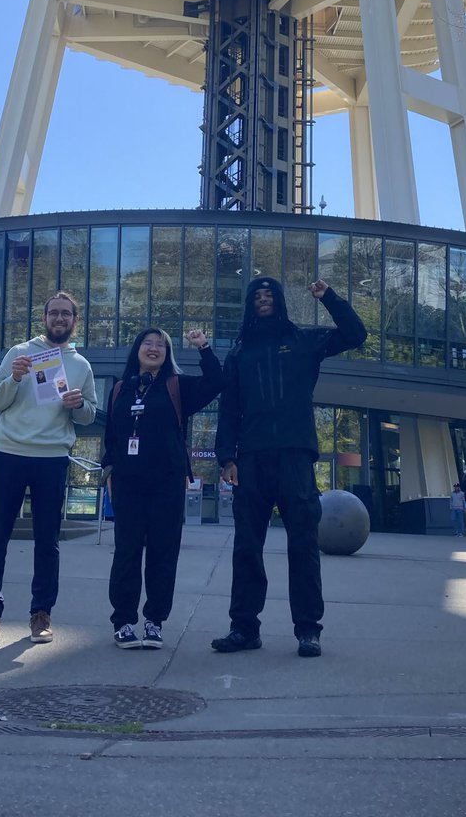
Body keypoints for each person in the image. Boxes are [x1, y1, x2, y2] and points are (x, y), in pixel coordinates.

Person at [212, 277, 366, 659]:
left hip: (295, 455)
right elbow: (229, 408)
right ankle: (244, 628)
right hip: (250, 458)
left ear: (279, 302)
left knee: (303, 543)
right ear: (250, 306)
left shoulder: (304, 340)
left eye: (269, 296)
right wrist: (226, 458)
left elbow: (355, 334)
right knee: (247, 545)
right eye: (257, 297)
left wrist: (328, 296)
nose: (263, 301)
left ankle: (308, 630)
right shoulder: (239, 352)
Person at [0, 291, 97, 645]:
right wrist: (13, 378)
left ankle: (41, 614)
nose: (60, 319)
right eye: (54, 313)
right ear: (44, 317)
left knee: (48, 542)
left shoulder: (82, 365)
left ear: (75, 321)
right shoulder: (19, 353)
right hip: (11, 454)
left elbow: (89, 415)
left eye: (67, 314)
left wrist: (77, 405)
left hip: (52, 459)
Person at [103, 327, 222, 649]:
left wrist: (204, 348)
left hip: (167, 482)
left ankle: (154, 621)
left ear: (167, 354)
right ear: (137, 349)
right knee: (126, 553)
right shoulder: (119, 389)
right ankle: (124, 621)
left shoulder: (176, 386)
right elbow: (111, 437)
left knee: (162, 553)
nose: (154, 348)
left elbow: (215, 382)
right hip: (127, 483)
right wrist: (108, 471)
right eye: (148, 343)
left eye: (161, 345)